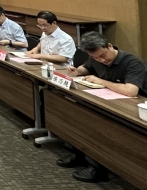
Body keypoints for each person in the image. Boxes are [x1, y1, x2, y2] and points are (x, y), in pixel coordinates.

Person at [58, 32, 147, 183]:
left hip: (133, 107)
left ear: (109, 46)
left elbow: (131, 91)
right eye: (96, 58)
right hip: (108, 100)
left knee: (98, 123)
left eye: (103, 55)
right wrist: (77, 71)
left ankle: (98, 167)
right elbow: (86, 68)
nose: (102, 60)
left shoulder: (131, 62)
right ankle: (79, 154)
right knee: (77, 114)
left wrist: (101, 81)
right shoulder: (95, 57)